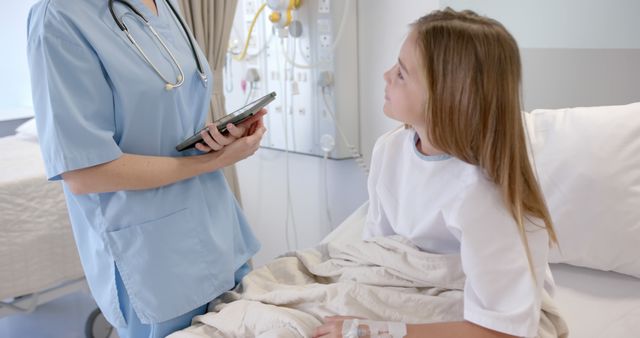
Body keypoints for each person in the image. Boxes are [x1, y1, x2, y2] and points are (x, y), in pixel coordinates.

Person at [313, 8, 558, 338]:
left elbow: (505, 329)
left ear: (447, 96)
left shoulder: (485, 196)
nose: (386, 76)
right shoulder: (390, 149)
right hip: (408, 287)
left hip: (487, 315)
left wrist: (375, 330)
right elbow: (382, 257)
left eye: (401, 74)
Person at [26, 0, 266, 337]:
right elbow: (84, 173)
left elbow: (167, 116)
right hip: (154, 256)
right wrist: (213, 161)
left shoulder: (164, 5)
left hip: (217, 229)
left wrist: (220, 139)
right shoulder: (61, 17)